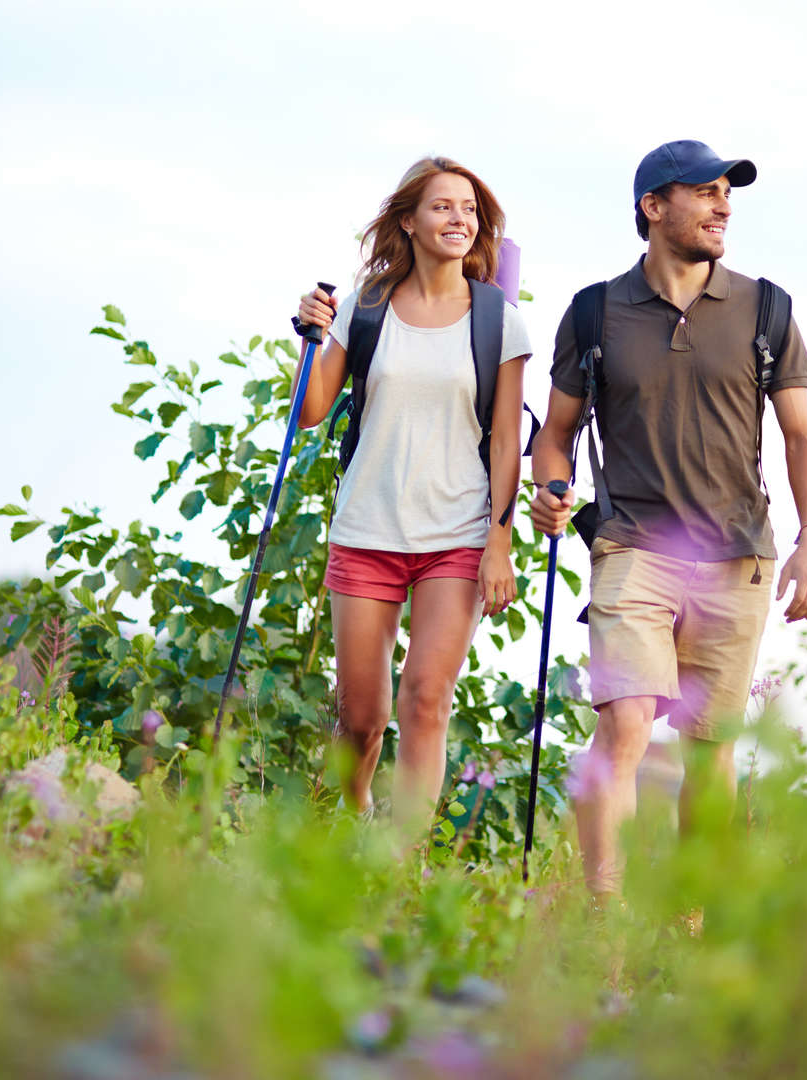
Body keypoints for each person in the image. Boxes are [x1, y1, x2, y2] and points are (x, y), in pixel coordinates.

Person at [529, 140, 807, 901]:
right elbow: (555, 434)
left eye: (728, 192)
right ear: (653, 207)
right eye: (704, 191)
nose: (723, 204)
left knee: (710, 748)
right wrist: (553, 485)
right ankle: (605, 918)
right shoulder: (595, 312)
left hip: (739, 556)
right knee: (626, 721)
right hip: (632, 546)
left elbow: (802, 435)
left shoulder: (767, 309)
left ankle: (689, 922)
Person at [291, 157, 532, 837]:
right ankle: (350, 825)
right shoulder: (367, 307)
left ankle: (403, 865)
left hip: (456, 536)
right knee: (361, 719)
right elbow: (309, 411)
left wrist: (500, 542)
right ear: (409, 221)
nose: (460, 220)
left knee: (426, 698)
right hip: (368, 530)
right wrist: (308, 338)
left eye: (469, 209)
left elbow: (506, 441)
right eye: (443, 207)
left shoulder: (497, 320)